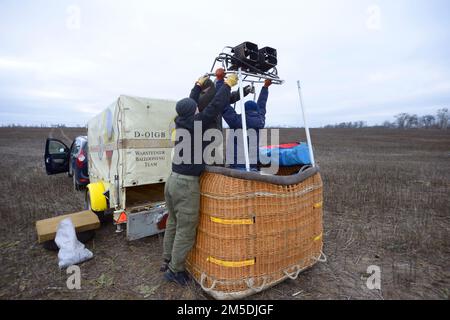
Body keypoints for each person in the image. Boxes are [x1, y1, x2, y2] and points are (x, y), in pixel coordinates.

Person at [161, 73, 238, 285]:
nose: (198, 107)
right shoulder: (198, 123)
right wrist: (227, 85)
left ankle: (166, 259)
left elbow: (190, 103)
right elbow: (215, 105)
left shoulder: (182, 122)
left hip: (172, 180)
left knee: (173, 223)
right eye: (196, 107)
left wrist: (196, 85)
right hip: (186, 184)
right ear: (194, 111)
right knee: (185, 229)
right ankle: (175, 270)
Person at [222, 79, 272, 169]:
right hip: (253, 162)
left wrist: (221, 87)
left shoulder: (237, 121)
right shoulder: (260, 120)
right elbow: (262, 104)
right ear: (256, 110)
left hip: (237, 162)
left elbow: (224, 106)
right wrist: (265, 87)